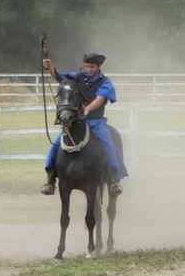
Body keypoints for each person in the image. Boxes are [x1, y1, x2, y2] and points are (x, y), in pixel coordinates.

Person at [40, 53, 128, 196]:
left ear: (98, 67)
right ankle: (50, 179)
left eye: (92, 66)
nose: (89, 69)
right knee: (56, 144)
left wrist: (87, 109)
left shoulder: (105, 83)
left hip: (96, 122)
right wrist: (49, 67)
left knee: (109, 145)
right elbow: (58, 77)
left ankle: (113, 180)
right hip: (76, 122)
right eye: (87, 66)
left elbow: (100, 99)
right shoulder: (78, 76)